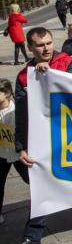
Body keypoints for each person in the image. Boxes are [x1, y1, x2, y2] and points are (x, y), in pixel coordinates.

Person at [6, 27, 72, 244]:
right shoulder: (23, 76)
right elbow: (22, 114)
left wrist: (51, 76)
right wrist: (21, 146)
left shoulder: (67, 62)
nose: (46, 48)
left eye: (49, 42)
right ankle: (32, 237)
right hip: (43, 142)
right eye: (40, 45)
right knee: (40, 188)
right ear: (30, 48)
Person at [0, 78, 18, 226]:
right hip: (2, 153)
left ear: (6, 94)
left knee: (31, 179)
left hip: (18, 154)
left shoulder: (16, 111)